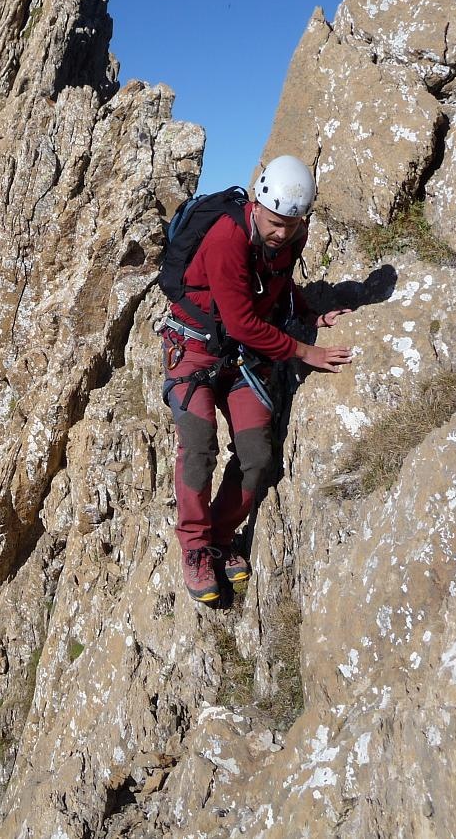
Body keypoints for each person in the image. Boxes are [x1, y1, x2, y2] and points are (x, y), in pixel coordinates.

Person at [161, 155, 353, 604]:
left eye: (292, 222)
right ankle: (194, 547)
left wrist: (309, 311)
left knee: (256, 453)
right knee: (199, 444)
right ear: (256, 203)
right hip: (195, 351)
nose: (281, 232)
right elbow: (245, 323)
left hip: (241, 359)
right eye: (274, 221)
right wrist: (308, 352)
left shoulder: (291, 235)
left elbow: (279, 280)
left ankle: (221, 538)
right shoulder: (228, 237)